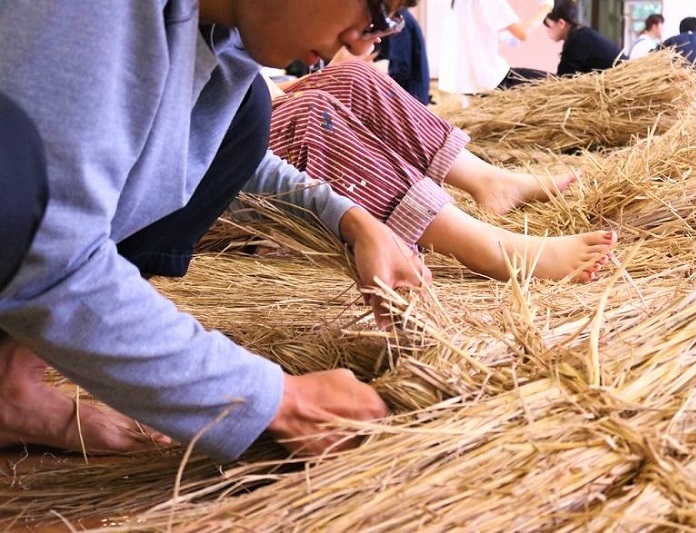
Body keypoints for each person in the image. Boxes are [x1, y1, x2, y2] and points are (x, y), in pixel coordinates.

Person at [0, 1, 434, 463]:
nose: (364, 41)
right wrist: (271, 399)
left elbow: (203, 152)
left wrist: (355, 222)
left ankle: (11, 383)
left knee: (247, 116)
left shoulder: (217, 38)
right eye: (379, 8)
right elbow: (47, 246)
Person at [260, 58, 618, 283]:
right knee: (308, 115)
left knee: (353, 77)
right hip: (209, 176)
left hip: (235, 111)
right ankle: (489, 248)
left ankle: (490, 181)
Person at [439, 0, 554, 95]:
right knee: (555, 83)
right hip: (492, 81)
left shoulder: (458, 3)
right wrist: (546, 6)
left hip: (469, 87)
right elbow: (523, 33)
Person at [544, 0, 626, 76]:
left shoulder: (576, 41)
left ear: (561, 23)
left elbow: (562, 79)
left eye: (549, 26)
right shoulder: (582, 35)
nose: (547, 31)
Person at [375, 8, 431, 105]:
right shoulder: (402, 15)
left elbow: (400, 68)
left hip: (410, 97)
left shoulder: (399, 21)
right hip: (415, 92)